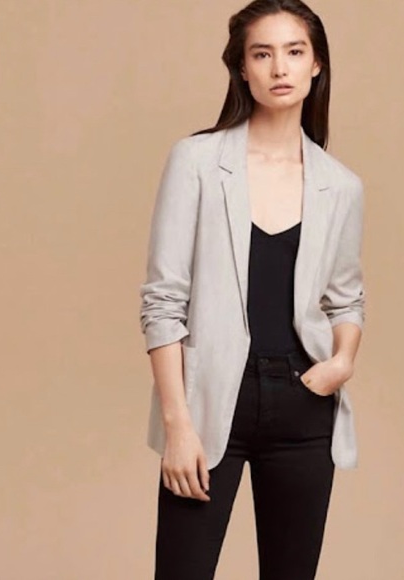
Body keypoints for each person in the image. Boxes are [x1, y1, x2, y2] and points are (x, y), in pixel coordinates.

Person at [139, 1, 366, 578]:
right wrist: (177, 424)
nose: (279, 68)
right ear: (242, 68)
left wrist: (342, 362)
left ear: (317, 63)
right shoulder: (196, 161)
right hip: (212, 399)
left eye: (295, 51)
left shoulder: (340, 186)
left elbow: (346, 298)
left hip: (304, 404)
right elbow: (163, 302)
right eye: (262, 54)